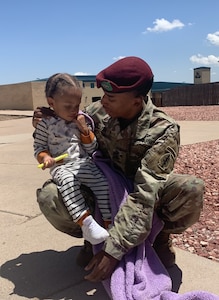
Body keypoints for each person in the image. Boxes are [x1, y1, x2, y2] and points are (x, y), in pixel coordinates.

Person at [33, 57, 204, 282]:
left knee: (190, 188)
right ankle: (92, 238)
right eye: (103, 95)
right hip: (103, 186)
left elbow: (144, 195)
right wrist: (48, 116)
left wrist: (113, 250)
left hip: (142, 192)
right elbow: (68, 117)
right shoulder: (96, 112)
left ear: (136, 100)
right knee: (51, 196)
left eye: (110, 97)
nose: (103, 101)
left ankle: (160, 236)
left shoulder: (163, 129)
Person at [33, 73, 111, 245]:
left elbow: (91, 149)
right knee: (68, 183)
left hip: (83, 163)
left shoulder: (81, 120)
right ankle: (86, 224)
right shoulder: (45, 124)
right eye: (68, 106)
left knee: (103, 184)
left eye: (77, 105)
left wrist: (84, 130)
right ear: (51, 103)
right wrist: (45, 158)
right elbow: (39, 147)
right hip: (62, 167)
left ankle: (109, 223)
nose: (74, 110)